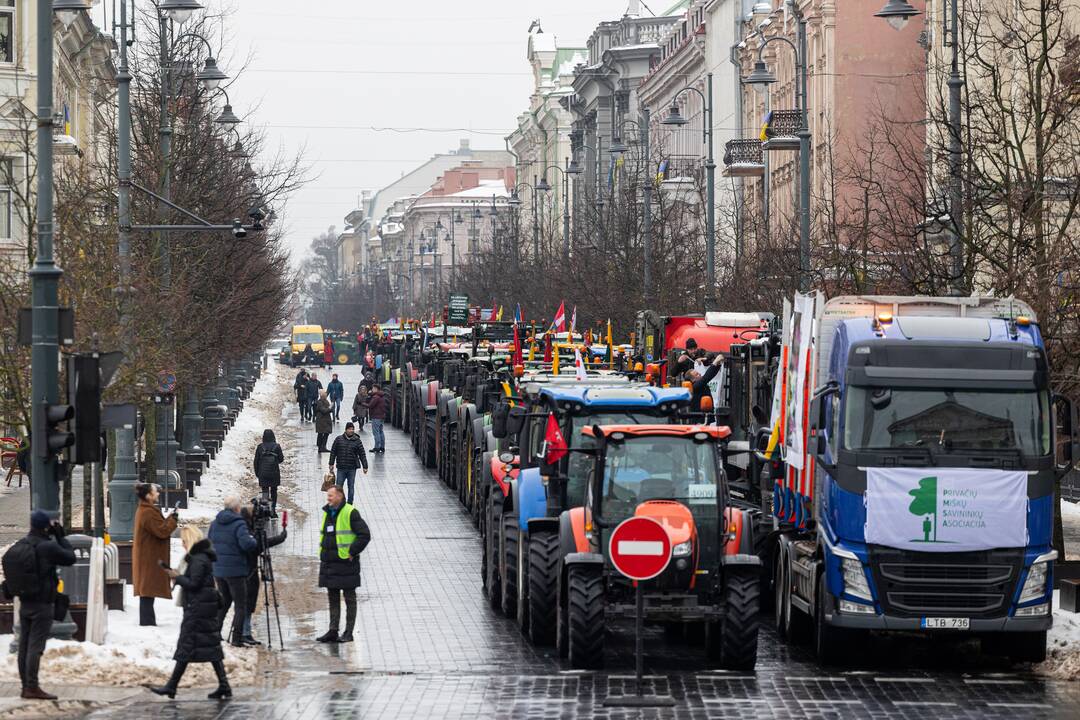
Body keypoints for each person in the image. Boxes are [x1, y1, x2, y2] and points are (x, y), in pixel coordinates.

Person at [145, 526, 231, 700]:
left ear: (189, 541)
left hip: (198, 608)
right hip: (202, 607)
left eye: (184, 541)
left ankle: (171, 686)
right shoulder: (201, 557)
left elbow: (194, 584)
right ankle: (223, 685)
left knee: (187, 647)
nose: (183, 545)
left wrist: (176, 577)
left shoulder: (198, 559)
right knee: (209, 647)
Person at [2, 510, 76, 700]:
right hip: (42, 603)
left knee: (25, 646)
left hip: (25, 602)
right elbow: (70, 558)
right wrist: (61, 536)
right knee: (35, 646)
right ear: (45, 526)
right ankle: (32, 688)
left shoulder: (22, 544)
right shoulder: (47, 547)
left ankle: (25, 686)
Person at [316, 485, 371, 643]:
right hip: (329, 563)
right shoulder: (328, 512)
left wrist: (352, 551)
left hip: (346, 563)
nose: (328, 498)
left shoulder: (350, 512)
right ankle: (333, 630)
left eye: (331, 495)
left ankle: (348, 632)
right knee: (332, 597)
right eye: (328, 495)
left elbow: (364, 534)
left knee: (349, 598)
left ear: (340, 496)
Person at [207, 496, 257, 646]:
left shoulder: (215, 522)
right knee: (241, 605)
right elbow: (246, 544)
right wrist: (254, 540)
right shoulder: (239, 523)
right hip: (235, 571)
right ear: (236, 508)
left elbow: (209, 541)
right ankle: (237, 637)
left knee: (225, 601)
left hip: (219, 570)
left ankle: (216, 632)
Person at [238, 506, 287, 645]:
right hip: (247, 570)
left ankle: (244, 631)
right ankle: (243, 632)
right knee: (247, 601)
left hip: (246, 569)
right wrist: (279, 538)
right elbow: (257, 545)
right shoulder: (245, 530)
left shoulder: (245, 527)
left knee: (247, 601)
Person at [133, 482, 179, 626]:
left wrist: (170, 518)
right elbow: (162, 531)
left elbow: (159, 527)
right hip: (149, 558)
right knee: (147, 592)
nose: (158, 493)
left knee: (147, 592)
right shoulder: (147, 512)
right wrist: (173, 519)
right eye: (155, 492)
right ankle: (147, 623)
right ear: (148, 495)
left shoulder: (146, 510)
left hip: (148, 556)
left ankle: (147, 622)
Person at [329, 421, 369, 505]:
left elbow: (362, 454)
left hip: (352, 468)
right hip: (341, 468)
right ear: (346, 430)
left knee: (351, 487)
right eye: (350, 429)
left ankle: (349, 504)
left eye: (352, 429)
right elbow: (333, 452)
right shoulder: (338, 439)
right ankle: (339, 503)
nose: (351, 431)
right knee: (339, 487)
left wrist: (365, 466)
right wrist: (331, 463)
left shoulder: (357, 441)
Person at [253, 429, 285, 514]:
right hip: (274, 472)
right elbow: (281, 459)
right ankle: (273, 510)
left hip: (263, 473)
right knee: (274, 491)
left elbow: (256, 461)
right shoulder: (277, 446)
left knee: (265, 491)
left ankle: (265, 510)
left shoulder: (260, 447)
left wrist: (258, 473)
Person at [365, 384, 387, 454]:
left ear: (376, 389)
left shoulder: (376, 397)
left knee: (376, 432)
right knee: (381, 432)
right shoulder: (381, 396)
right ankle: (382, 447)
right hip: (381, 416)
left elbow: (370, 405)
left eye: (373, 388)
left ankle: (377, 447)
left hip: (376, 417)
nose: (372, 390)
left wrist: (362, 403)